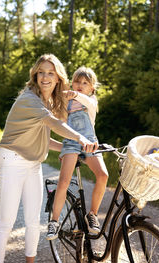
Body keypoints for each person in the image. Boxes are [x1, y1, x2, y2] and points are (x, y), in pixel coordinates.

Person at [0, 54, 96, 263]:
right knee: (6, 222)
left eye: (50, 73)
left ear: (58, 77)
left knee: (32, 221)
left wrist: (71, 147)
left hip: (33, 164)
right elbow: (53, 124)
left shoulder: (47, 102)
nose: (45, 77)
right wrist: (81, 139)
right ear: (35, 76)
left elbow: (43, 139)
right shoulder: (29, 99)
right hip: (12, 161)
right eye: (41, 72)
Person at [46, 66, 108, 241]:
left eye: (85, 83)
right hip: (71, 143)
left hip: (89, 143)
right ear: (71, 83)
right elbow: (60, 123)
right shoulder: (66, 103)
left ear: (92, 88)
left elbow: (88, 102)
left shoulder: (91, 101)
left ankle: (92, 215)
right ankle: (54, 221)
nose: (80, 85)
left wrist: (75, 94)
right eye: (77, 82)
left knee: (103, 175)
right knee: (64, 181)